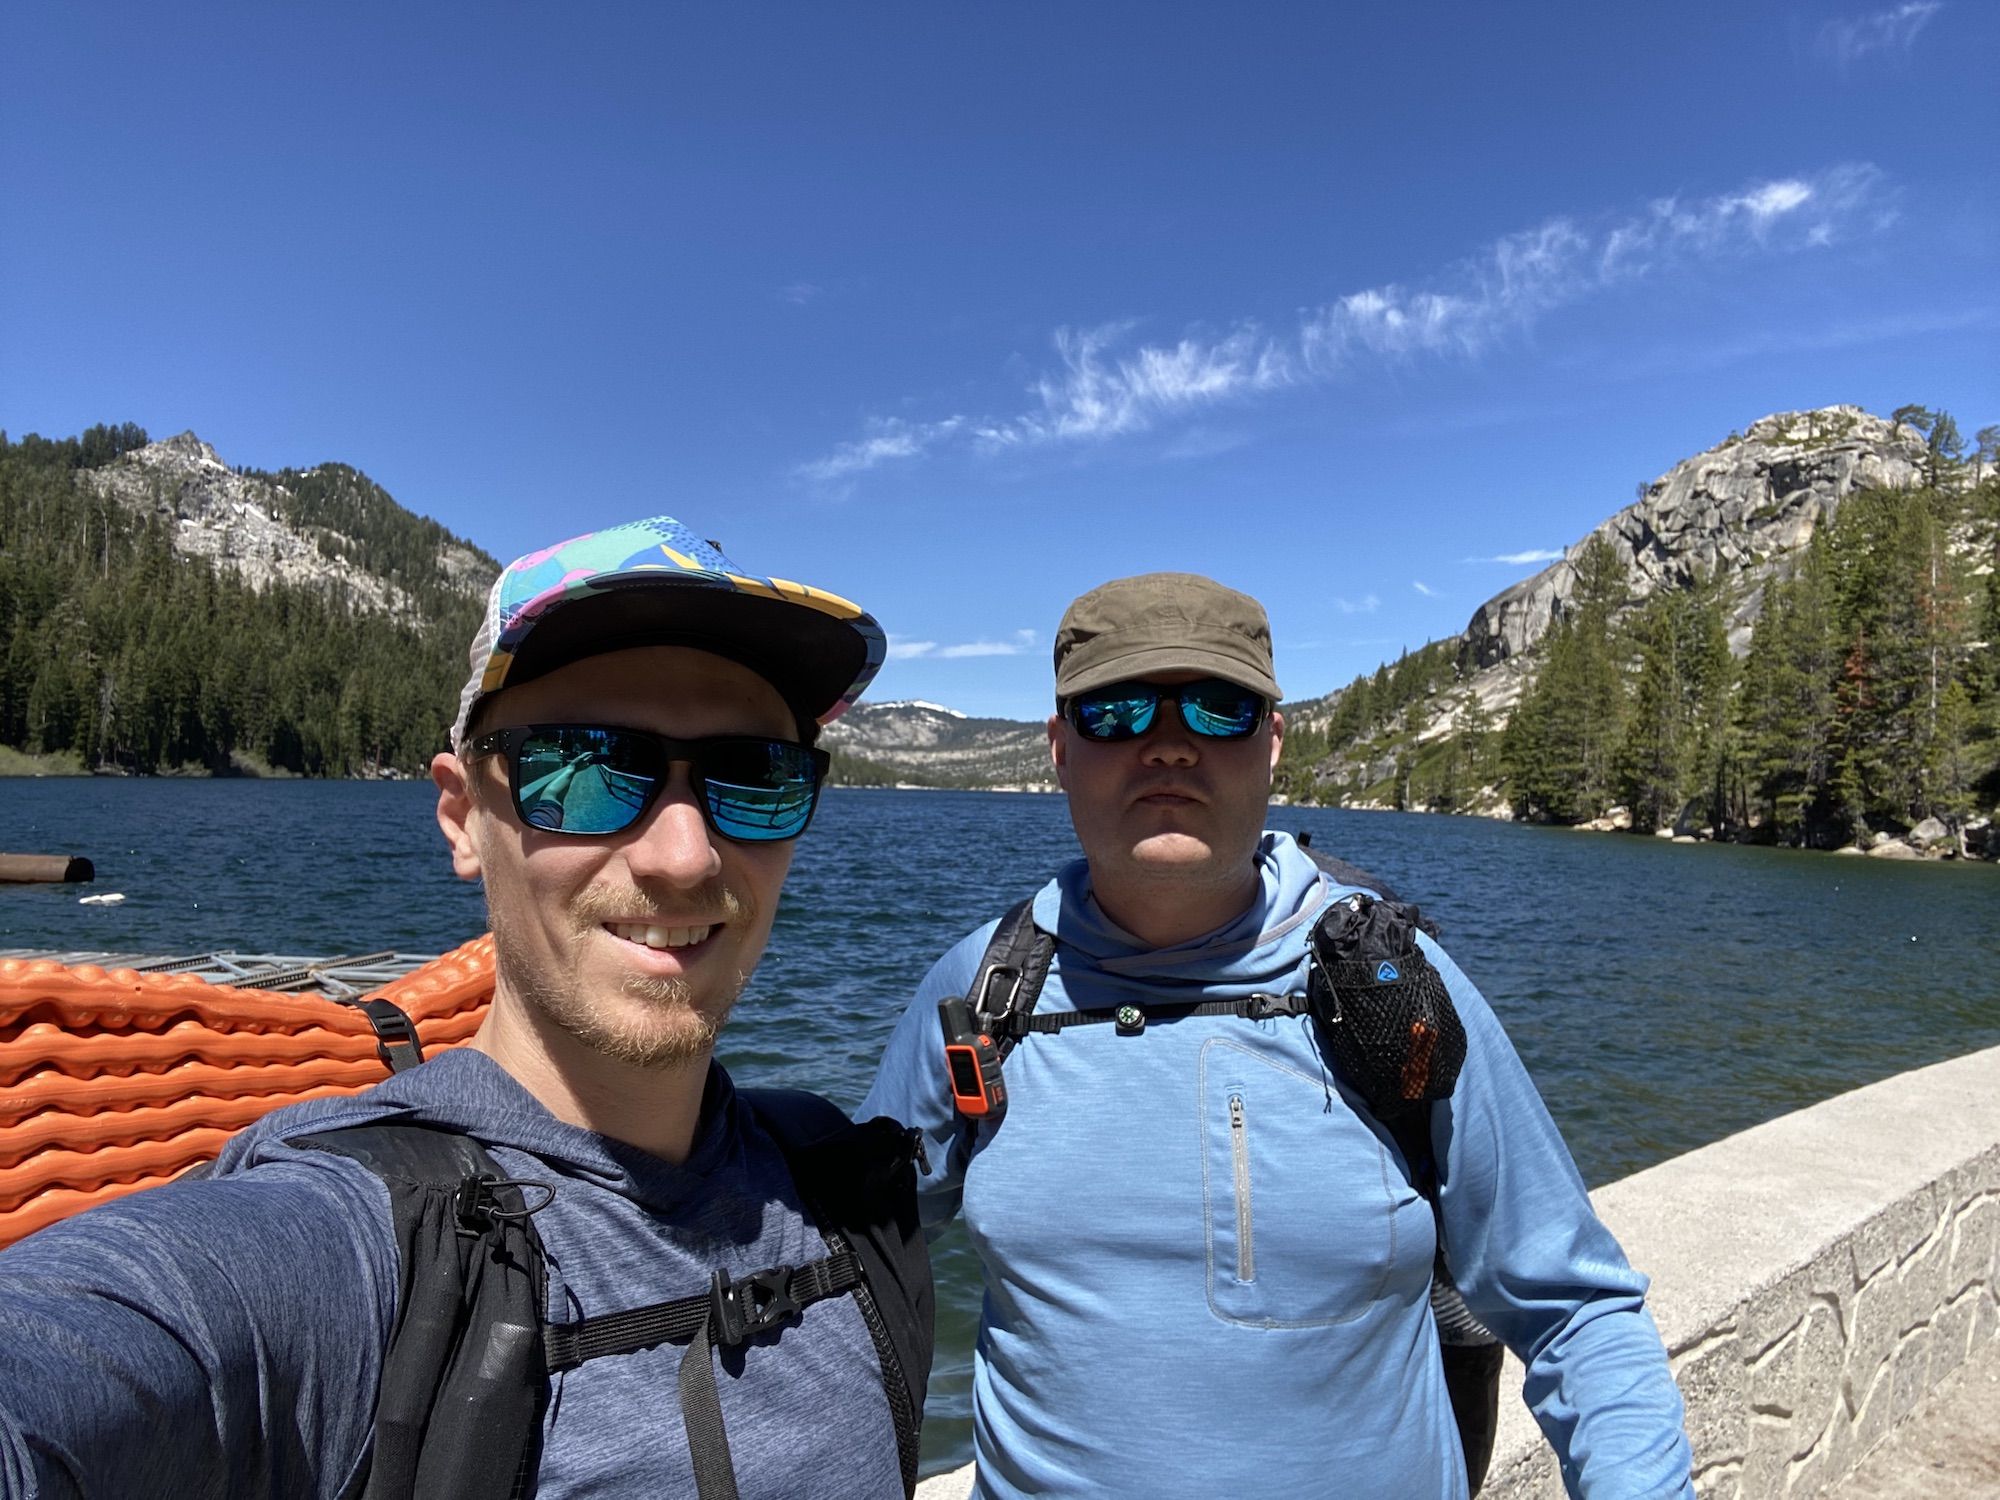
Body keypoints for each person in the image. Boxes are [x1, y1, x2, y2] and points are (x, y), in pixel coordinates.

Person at [0, 517, 928, 1499]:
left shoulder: (840, 1190)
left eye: (755, 778)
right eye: (580, 769)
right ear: (460, 817)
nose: (685, 856)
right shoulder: (343, 1256)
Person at [863, 572, 1694, 1499]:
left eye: (1219, 709)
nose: (1168, 747)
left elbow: (1573, 1306)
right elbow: (855, 1261)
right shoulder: (984, 989)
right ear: (1059, 747)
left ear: (1273, 746)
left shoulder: (1390, 981)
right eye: (1117, 710)